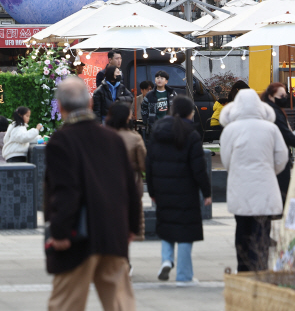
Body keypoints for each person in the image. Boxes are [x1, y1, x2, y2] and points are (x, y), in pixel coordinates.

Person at [45, 76, 140, 311]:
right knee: (120, 302)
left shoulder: (61, 140)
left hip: (78, 236)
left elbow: (66, 190)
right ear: (89, 103)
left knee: (66, 303)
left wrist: (59, 230)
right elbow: (130, 185)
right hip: (114, 232)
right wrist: (133, 226)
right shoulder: (112, 138)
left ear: (61, 107)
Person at [220, 89, 288, 272]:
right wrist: (268, 171)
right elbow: (282, 157)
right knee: (262, 232)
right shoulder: (271, 129)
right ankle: (260, 266)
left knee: (242, 229)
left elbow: (226, 160)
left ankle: (243, 269)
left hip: (240, 188)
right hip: (265, 188)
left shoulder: (230, 130)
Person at [146, 96, 212, 286]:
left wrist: (151, 190)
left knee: (166, 224)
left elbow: (149, 164)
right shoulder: (191, 135)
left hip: (162, 188)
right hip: (186, 190)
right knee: (185, 231)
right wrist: (206, 192)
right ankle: (184, 276)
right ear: (190, 113)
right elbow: (198, 168)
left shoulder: (157, 132)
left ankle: (166, 259)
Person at [106, 103, 146, 243]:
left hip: (107, 183)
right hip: (132, 182)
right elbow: (144, 165)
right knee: (133, 214)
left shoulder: (103, 135)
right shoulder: (135, 138)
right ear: (127, 117)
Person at [261, 82, 295, 205]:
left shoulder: (271, 110)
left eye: (285, 95)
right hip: (278, 156)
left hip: (272, 155)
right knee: (281, 188)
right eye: (281, 96)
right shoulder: (274, 112)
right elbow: (285, 135)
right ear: (271, 96)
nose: (285, 99)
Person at [141, 70, 177, 136]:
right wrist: (146, 121)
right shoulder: (150, 94)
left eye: (162, 78)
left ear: (166, 81)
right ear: (155, 80)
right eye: (157, 78)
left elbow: (177, 107)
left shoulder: (172, 93)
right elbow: (144, 107)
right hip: (155, 126)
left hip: (169, 125)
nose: (159, 80)